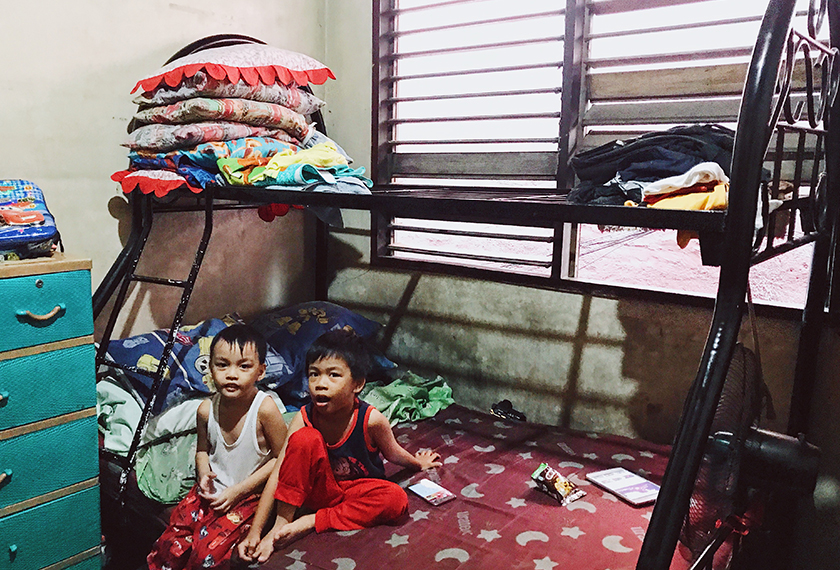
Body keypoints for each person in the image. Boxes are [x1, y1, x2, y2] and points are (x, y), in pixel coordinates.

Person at [237, 329, 442, 563]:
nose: (321, 384)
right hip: (317, 490)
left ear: (357, 384)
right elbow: (281, 472)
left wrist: (418, 463)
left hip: (354, 492)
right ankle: (283, 526)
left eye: (333, 375)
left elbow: (394, 453)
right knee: (305, 438)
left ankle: (311, 521)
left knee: (396, 499)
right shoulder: (304, 417)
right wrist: (257, 531)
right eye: (314, 374)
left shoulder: (371, 419)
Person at [147, 324, 288, 570]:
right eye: (222, 365)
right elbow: (203, 450)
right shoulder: (206, 409)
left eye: (244, 366)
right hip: (212, 491)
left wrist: (238, 492)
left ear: (261, 371)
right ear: (210, 368)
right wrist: (203, 474)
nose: (232, 374)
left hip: (249, 496)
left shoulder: (264, 410)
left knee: (207, 553)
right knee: (170, 543)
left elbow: (282, 459)